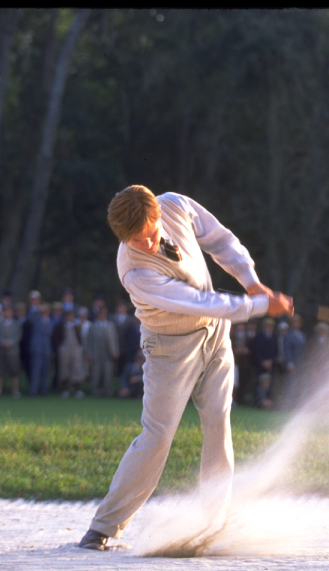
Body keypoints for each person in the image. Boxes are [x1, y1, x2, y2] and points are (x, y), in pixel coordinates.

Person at [78, 185, 292, 551]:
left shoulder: (175, 205)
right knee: (158, 435)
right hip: (169, 349)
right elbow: (199, 301)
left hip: (215, 335)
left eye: (149, 234)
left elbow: (221, 240)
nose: (146, 245)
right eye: (135, 240)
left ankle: (215, 521)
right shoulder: (135, 271)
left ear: (158, 215)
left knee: (219, 423)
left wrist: (252, 282)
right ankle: (102, 528)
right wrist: (259, 307)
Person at [85, 306, 120, 397]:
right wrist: (88, 352)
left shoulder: (111, 325)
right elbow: (89, 340)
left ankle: (108, 391)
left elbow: (115, 339)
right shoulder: (92, 326)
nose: (102, 315)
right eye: (100, 314)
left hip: (108, 353)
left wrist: (116, 351)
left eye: (104, 313)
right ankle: (95, 390)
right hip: (96, 352)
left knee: (108, 372)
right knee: (96, 372)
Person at [0, 305, 23, 398]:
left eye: (8, 311)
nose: (6, 313)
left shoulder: (17, 324)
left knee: (14, 371)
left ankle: (15, 390)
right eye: (5, 311)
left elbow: (18, 336)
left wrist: (10, 343)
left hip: (13, 351)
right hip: (0, 351)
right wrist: (1, 342)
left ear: (12, 313)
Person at [53, 307, 86, 398]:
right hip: (64, 349)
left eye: (72, 315)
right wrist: (59, 348)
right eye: (68, 316)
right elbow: (56, 339)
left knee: (77, 369)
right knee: (64, 370)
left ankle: (77, 389)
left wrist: (80, 347)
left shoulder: (76, 326)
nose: (70, 317)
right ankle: (64, 389)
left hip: (75, 349)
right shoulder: (60, 326)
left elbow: (80, 338)